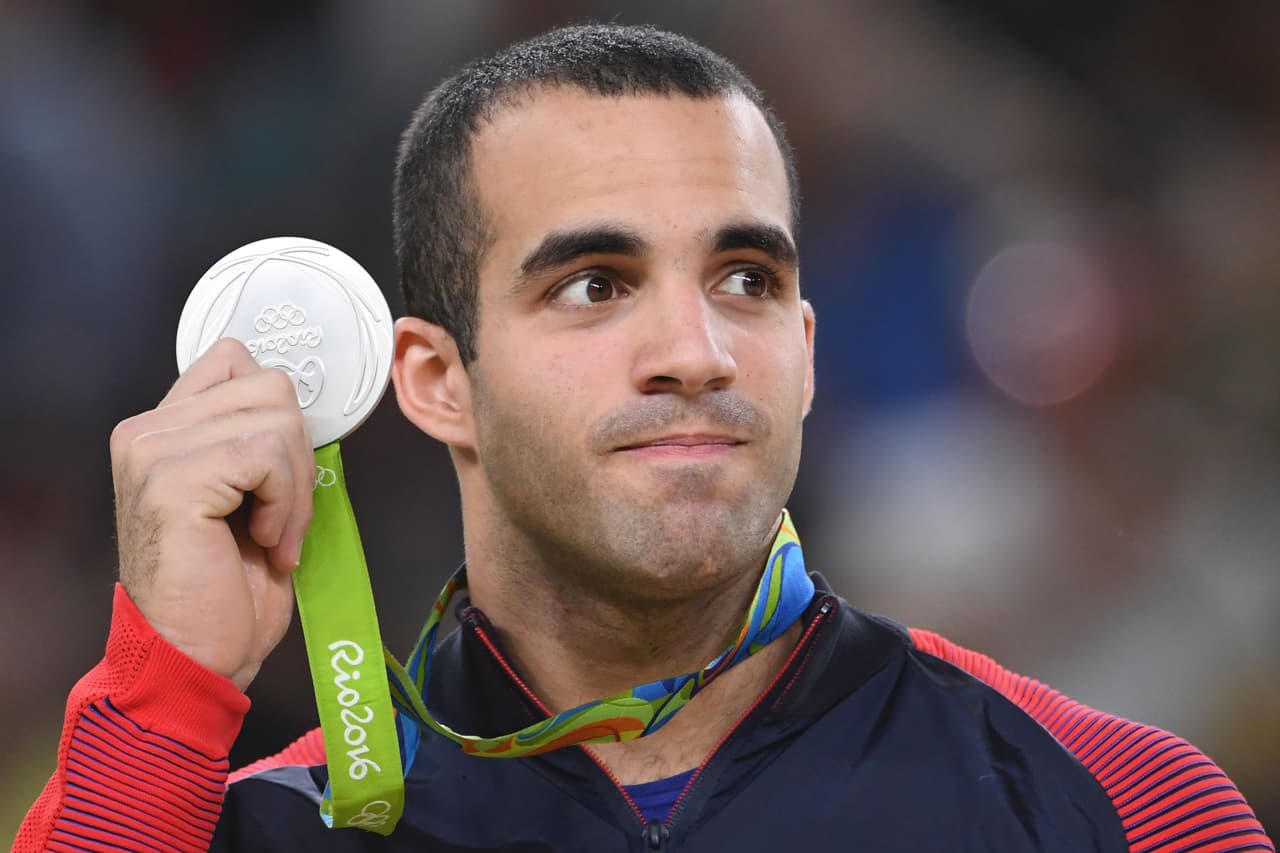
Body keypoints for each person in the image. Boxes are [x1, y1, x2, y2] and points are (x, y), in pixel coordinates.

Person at [14, 23, 1273, 853]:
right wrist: (168, 688)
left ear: (807, 354)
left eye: (744, 281)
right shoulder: (261, 828)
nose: (696, 349)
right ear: (436, 380)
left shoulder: (1113, 806)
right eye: (593, 285)